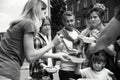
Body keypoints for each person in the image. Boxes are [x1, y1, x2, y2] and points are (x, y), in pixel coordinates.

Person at [0, 0, 70, 80]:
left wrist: (57, 55)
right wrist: (53, 43)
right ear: (37, 11)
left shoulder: (19, 24)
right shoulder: (29, 24)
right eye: (44, 13)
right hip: (7, 71)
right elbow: (31, 57)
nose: (44, 17)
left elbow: (31, 52)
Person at [55, 11, 84, 80]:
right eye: (67, 21)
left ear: (75, 20)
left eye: (72, 20)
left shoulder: (78, 33)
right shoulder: (59, 35)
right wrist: (69, 55)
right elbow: (57, 53)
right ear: (63, 22)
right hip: (66, 70)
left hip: (78, 69)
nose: (70, 23)